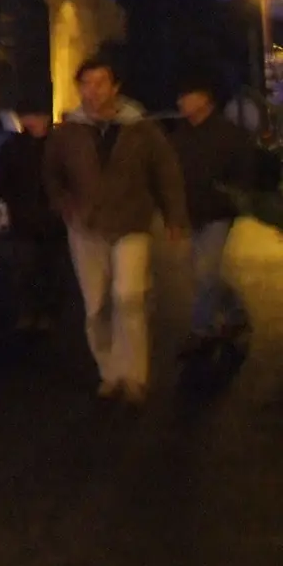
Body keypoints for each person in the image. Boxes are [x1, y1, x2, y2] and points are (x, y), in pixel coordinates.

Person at [44, 56, 189, 403]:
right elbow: (52, 174)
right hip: (86, 227)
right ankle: (110, 372)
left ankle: (135, 376)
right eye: (86, 84)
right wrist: (66, 207)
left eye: (99, 83)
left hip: (130, 223)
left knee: (129, 297)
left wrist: (175, 217)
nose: (92, 91)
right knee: (96, 306)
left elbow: (166, 172)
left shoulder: (140, 128)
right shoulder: (68, 132)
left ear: (115, 87)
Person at [169, 73, 261, 355]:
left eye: (187, 96)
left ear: (205, 99)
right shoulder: (179, 135)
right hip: (190, 213)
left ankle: (201, 329)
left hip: (217, 213)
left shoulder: (228, 134)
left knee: (205, 272)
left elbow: (244, 172)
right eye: (180, 97)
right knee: (202, 275)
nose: (181, 102)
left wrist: (230, 196)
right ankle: (235, 313)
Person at [0, 101, 64, 331]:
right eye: (26, 116)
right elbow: (1, 181)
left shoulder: (57, 145)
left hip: (52, 218)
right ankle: (28, 311)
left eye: (35, 115)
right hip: (23, 217)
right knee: (24, 268)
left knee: (49, 267)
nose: (30, 121)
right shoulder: (13, 146)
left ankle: (47, 311)